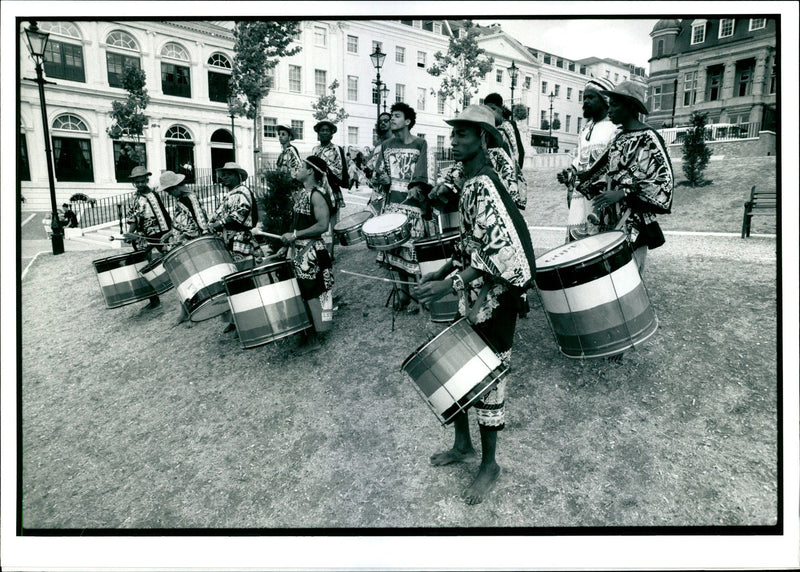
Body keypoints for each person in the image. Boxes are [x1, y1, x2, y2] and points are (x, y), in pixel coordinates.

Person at [415, 105, 536, 505]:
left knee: (488, 382)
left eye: (464, 134)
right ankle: (462, 444)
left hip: (497, 298)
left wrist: (451, 283)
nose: (454, 141)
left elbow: (502, 254)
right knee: (459, 371)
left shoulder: (485, 183)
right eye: (453, 135)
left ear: (483, 138)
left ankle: (490, 465)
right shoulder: (468, 182)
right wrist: (443, 272)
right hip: (474, 293)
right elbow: (469, 243)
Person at [578, 80, 674, 272]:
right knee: (610, 272)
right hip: (609, 217)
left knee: (630, 272)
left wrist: (623, 193)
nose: (609, 110)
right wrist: (580, 178)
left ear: (629, 107)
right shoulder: (618, 137)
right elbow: (598, 169)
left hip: (634, 218)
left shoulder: (649, 137)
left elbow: (664, 182)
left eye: (614, 105)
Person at [374, 102, 432, 312]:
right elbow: (381, 173)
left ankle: (418, 298)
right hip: (392, 204)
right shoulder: (386, 145)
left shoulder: (420, 144)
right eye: (391, 116)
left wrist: (417, 187)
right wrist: (381, 178)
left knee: (412, 252)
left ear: (408, 121)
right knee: (395, 252)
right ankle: (403, 295)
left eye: (396, 116)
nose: (392, 119)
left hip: (412, 205)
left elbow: (423, 172)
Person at [279, 155, 335, 352]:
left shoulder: (317, 195)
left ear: (310, 171)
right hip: (298, 250)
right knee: (302, 292)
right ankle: (306, 332)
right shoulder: (302, 193)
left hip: (310, 251)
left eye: (301, 166)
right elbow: (297, 223)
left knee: (312, 293)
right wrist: (286, 245)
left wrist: (295, 235)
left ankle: (316, 336)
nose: (298, 169)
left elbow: (322, 225)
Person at [556, 77, 619, 241]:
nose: (585, 102)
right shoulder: (584, 130)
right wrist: (569, 174)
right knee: (577, 245)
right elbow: (579, 161)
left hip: (599, 199)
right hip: (579, 199)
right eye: (584, 98)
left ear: (605, 100)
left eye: (591, 97)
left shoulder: (614, 128)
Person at [207, 162, 262, 333]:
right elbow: (218, 213)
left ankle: (249, 321)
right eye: (223, 174)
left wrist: (219, 224)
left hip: (241, 241)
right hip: (229, 242)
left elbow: (240, 214)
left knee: (243, 280)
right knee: (231, 281)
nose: (224, 178)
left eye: (228, 174)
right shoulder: (229, 195)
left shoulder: (243, 192)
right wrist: (211, 223)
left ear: (238, 176)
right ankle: (235, 319)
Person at [157, 170, 210, 326]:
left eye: (169, 190)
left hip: (192, 243)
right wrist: (170, 233)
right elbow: (182, 222)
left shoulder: (190, 198)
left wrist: (202, 237)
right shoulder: (181, 199)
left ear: (176, 187)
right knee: (183, 278)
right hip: (181, 243)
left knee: (194, 278)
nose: (169, 194)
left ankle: (193, 312)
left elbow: (200, 220)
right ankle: (185, 311)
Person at [124, 165, 172, 311]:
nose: (140, 184)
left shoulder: (154, 193)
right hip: (146, 236)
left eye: (142, 181)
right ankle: (153, 298)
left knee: (172, 259)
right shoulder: (135, 198)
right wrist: (131, 233)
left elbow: (163, 212)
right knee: (143, 264)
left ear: (146, 180)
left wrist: (170, 230)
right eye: (137, 182)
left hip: (163, 233)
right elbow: (134, 217)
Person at [312, 120, 349, 260]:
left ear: (331, 133)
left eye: (327, 130)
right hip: (317, 189)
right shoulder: (314, 150)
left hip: (331, 189)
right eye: (322, 130)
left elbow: (340, 170)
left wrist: (325, 170)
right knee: (319, 220)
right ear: (318, 133)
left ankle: (329, 252)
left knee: (331, 222)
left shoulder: (336, 150)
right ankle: (319, 250)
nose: (324, 132)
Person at [364, 112, 393, 215]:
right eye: (380, 121)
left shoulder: (397, 142)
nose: (383, 123)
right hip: (377, 194)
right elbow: (370, 168)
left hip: (392, 194)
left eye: (386, 121)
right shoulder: (377, 146)